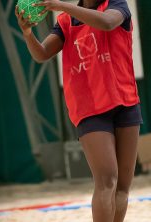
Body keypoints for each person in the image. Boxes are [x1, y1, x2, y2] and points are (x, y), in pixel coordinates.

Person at [15, 0, 143, 221]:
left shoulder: (116, 5)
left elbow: (106, 23)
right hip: (90, 108)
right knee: (107, 180)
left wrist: (63, 6)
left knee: (122, 186)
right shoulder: (65, 22)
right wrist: (27, 33)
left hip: (126, 101)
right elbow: (42, 53)